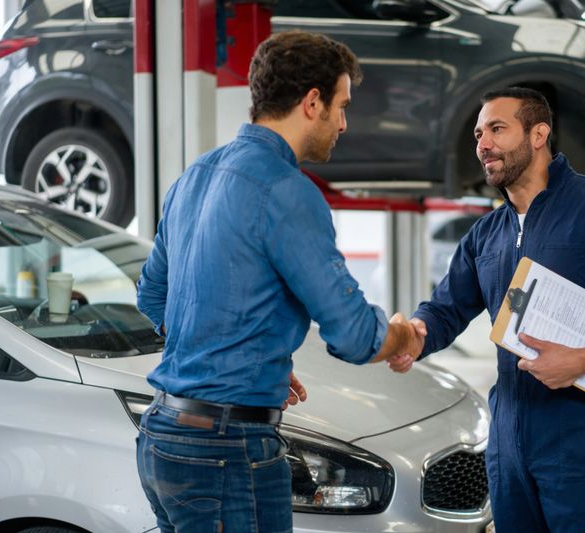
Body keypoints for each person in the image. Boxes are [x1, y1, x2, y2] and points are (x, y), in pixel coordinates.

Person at [136, 30, 422, 533]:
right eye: (341, 105)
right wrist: (403, 334)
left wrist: (235, 356)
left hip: (163, 438)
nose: (344, 123)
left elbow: (152, 295)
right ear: (312, 103)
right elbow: (354, 336)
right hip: (225, 450)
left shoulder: (195, 176)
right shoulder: (287, 191)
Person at [388, 87, 585, 532]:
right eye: (478, 134)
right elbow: (445, 309)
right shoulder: (485, 234)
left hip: (584, 438)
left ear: (538, 134)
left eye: (496, 129)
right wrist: (413, 335)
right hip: (509, 442)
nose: (483, 144)